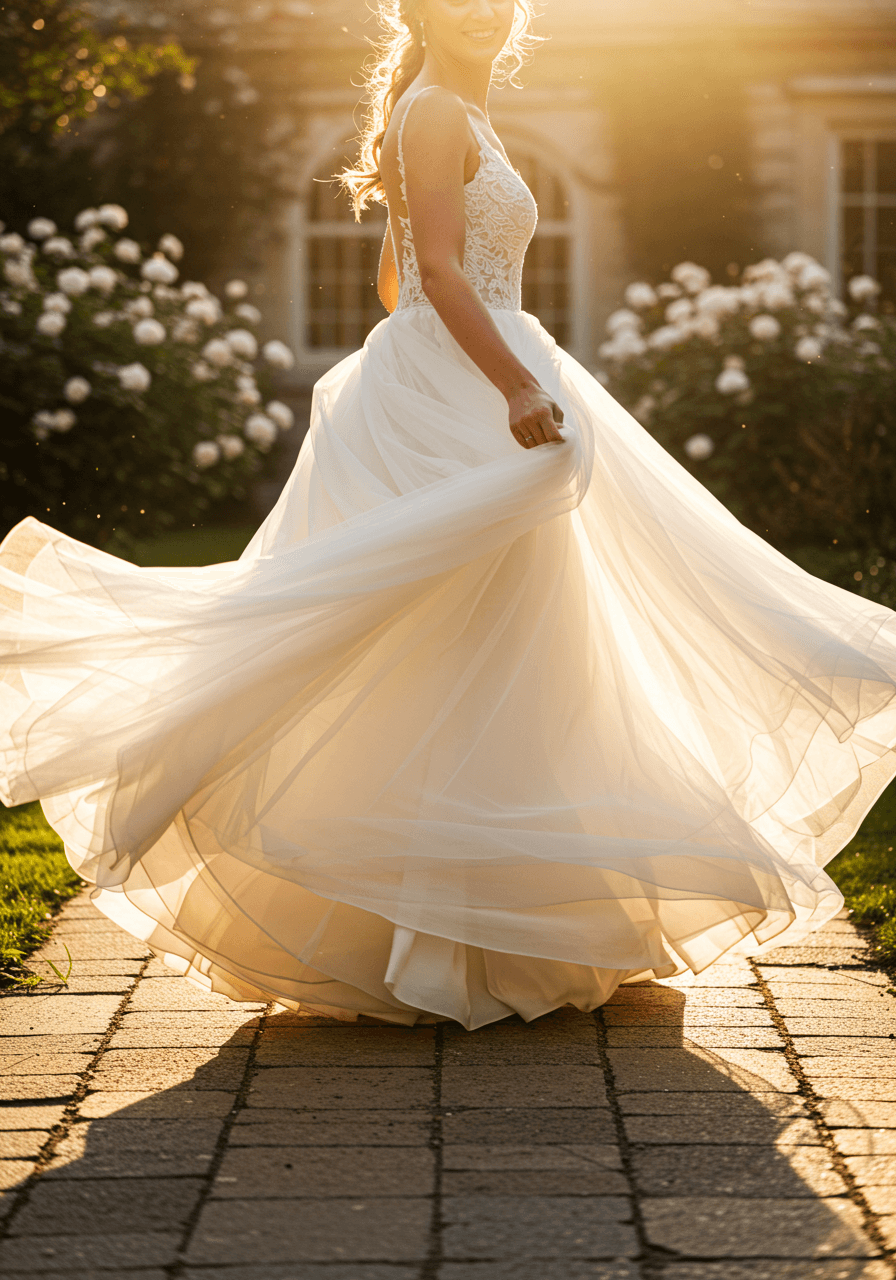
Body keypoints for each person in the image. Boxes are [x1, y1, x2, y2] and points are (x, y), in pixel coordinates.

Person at [2, 0, 896, 1030]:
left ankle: (511, 925)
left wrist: (470, 332)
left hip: (455, 372)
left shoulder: (447, 114)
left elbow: (396, 281)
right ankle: (453, 934)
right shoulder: (433, 112)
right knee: (456, 630)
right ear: (421, 10)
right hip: (471, 390)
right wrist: (513, 382)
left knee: (508, 633)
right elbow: (427, 276)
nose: (480, 9)